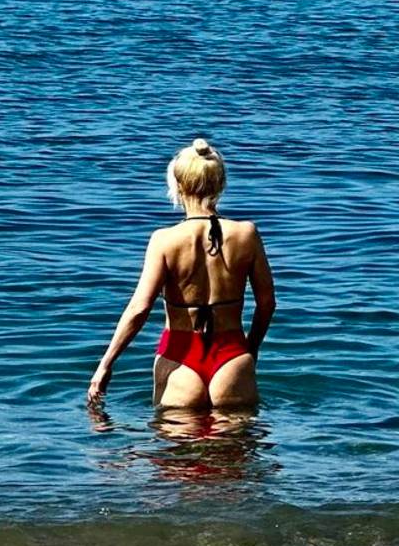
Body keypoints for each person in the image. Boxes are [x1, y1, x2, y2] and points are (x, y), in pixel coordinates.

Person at [86, 139, 275, 410]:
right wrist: (250, 349)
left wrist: (105, 366)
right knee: (236, 450)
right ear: (220, 183)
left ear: (178, 185)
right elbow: (266, 303)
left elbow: (139, 309)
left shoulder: (164, 240)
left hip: (181, 357)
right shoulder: (247, 234)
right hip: (232, 355)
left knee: (176, 451)